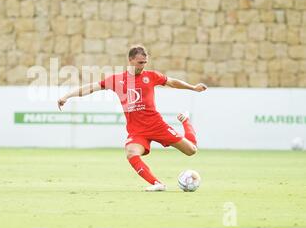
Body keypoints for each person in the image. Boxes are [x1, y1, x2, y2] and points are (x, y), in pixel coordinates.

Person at [57, 45, 207, 191]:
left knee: (191, 150)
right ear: (130, 60)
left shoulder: (151, 76)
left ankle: (185, 121)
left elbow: (173, 82)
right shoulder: (117, 80)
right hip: (137, 131)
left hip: (157, 125)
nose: (143, 66)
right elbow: (91, 87)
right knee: (131, 153)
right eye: (140, 62)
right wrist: (67, 96)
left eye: (145, 63)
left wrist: (193, 88)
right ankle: (157, 183)